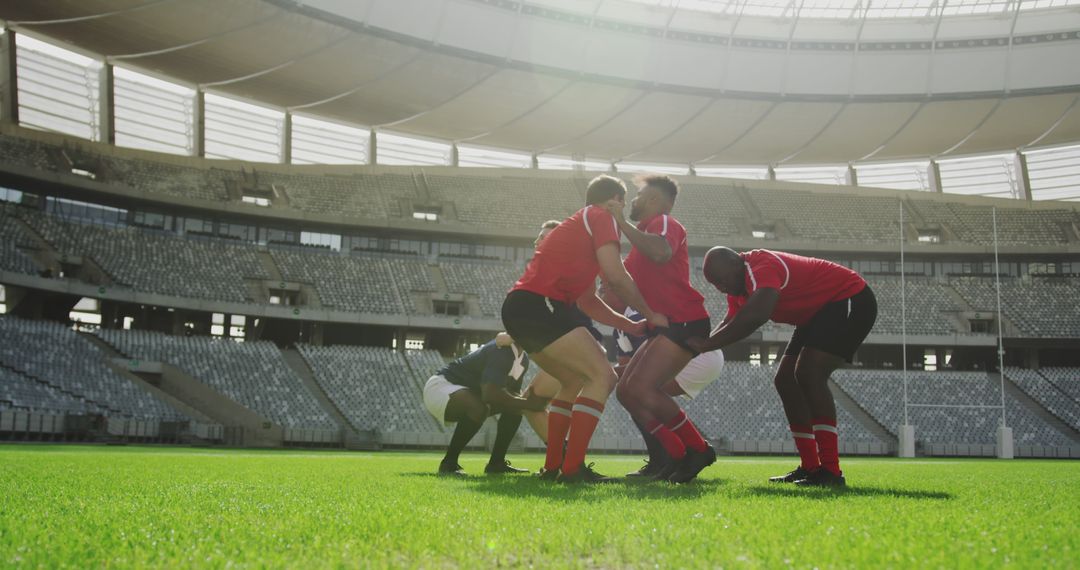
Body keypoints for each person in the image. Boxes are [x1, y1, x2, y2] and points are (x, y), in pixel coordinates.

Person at [501, 174, 668, 483]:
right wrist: (650, 313)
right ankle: (572, 468)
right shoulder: (601, 215)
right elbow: (616, 276)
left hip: (523, 307)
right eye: (623, 200)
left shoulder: (582, 227)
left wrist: (630, 323)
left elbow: (588, 301)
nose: (624, 206)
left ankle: (554, 467)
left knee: (574, 380)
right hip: (542, 305)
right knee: (602, 376)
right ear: (614, 201)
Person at [689, 247, 877, 487]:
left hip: (847, 298)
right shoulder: (739, 286)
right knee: (785, 380)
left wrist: (705, 346)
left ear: (737, 264)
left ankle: (830, 471)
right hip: (817, 312)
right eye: (715, 284)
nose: (721, 287)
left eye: (722, 279)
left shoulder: (761, 267)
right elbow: (731, 321)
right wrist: (700, 348)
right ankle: (810, 466)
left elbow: (755, 316)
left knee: (809, 373)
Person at [607, 174, 716, 483]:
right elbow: (624, 286)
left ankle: (698, 449)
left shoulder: (664, 224)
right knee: (627, 392)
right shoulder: (643, 235)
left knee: (641, 389)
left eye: (638, 195)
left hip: (684, 320)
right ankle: (676, 456)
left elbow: (661, 252)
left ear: (654, 201)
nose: (633, 201)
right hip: (666, 323)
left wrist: (621, 225)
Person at [423, 332, 548, 476]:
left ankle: (496, 463)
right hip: (442, 386)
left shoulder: (523, 359)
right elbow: (490, 394)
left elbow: (512, 393)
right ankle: (449, 463)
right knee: (478, 408)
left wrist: (525, 403)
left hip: (467, 390)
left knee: (515, 408)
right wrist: (529, 403)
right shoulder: (502, 351)